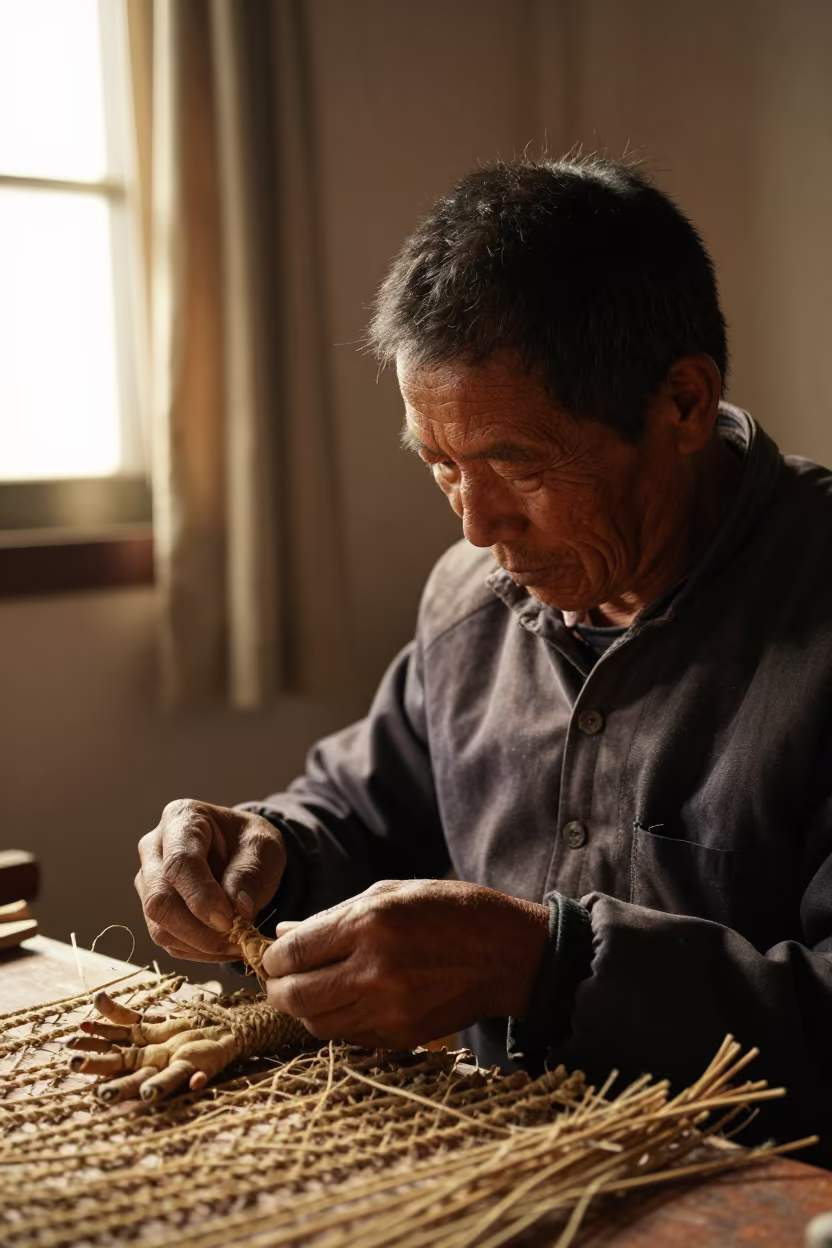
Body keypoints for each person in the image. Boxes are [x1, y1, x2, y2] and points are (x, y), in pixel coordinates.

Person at [135, 155, 832, 1159]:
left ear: (682, 404)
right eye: (439, 465)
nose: (476, 525)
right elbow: (367, 810)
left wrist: (548, 968)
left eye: (515, 464)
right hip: (487, 1163)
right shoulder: (472, 601)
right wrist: (265, 848)